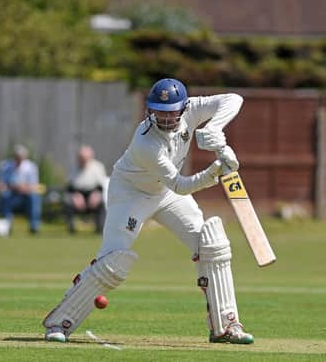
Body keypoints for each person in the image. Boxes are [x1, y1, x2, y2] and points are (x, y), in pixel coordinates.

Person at [43, 78, 255, 345]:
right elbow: (181, 185)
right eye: (158, 111)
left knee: (211, 243)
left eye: (170, 111)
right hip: (131, 194)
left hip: (164, 194)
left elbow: (234, 98)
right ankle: (59, 323)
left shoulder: (193, 109)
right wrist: (215, 171)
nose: (164, 117)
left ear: (183, 107)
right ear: (150, 109)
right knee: (113, 262)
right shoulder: (146, 143)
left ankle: (226, 326)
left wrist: (214, 127)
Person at [0, 144, 42, 236]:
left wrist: (22, 187)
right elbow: (1, 184)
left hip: (26, 198)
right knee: (5, 195)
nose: (18, 159)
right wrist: (5, 187)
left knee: (34, 197)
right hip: (11, 196)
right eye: (17, 157)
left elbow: (34, 186)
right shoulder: (5, 166)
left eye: (21, 157)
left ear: (25, 157)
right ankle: (6, 226)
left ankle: (34, 227)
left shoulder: (31, 167)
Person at [64, 145, 108, 234]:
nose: (82, 160)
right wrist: (75, 196)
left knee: (102, 202)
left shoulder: (98, 167)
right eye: (80, 158)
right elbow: (69, 187)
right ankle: (71, 228)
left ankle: (100, 228)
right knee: (68, 201)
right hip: (77, 196)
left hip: (93, 195)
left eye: (85, 158)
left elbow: (101, 186)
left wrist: (96, 194)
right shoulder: (73, 168)